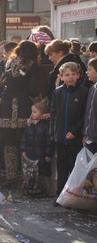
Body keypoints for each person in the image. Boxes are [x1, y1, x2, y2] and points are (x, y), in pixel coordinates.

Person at [0, 40, 40, 187]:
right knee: (24, 140)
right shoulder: (33, 65)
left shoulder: (9, 62)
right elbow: (34, 89)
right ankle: (25, 176)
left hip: (7, 104)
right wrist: (40, 103)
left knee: (9, 142)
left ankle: (10, 176)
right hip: (24, 104)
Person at [49, 62, 88, 205]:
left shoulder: (84, 92)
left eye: (73, 74)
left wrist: (75, 131)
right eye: (67, 75)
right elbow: (54, 114)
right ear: (61, 77)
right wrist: (53, 134)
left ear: (78, 75)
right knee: (62, 168)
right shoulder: (58, 92)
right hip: (60, 137)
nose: (70, 77)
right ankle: (60, 196)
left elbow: (85, 116)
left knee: (74, 169)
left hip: (75, 139)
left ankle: (73, 198)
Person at [20, 101, 54, 197]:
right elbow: (24, 138)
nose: (32, 114)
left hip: (41, 154)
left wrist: (48, 154)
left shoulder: (46, 125)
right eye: (32, 112)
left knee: (43, 171)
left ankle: (46, 190)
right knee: (30, 172)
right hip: (31, 153)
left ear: (43, 114)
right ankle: (31, 189)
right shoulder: (29, 125)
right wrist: (23, 149)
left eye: (35, 112)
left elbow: (49, 141)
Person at [83, 57, 97, 154]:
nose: (87, 72)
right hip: (90, 138)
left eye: (90, 69)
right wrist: (85, 134)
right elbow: (88, 114)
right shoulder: (92, 88)